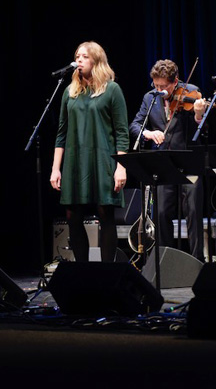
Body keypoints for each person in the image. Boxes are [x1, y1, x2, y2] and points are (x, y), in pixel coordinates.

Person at [50, 41, 129, 263]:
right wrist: (56, 168)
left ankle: (106, 273)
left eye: (84, 56)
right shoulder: (69, 92)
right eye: (77, 56)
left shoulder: (112, 90)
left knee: (105, 215)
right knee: (72, 216)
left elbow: (122, 132)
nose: (79, 60)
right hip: (75, 163)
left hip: (103, 161)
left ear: (96, 60)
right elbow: (61, 133)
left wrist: (120, 168)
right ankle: (83, 272)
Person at [129, 59, 207, 261]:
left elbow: (203, 127)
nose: (160, 89)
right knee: (161, 212)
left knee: (193, 212)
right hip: (164, 163)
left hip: (189, 161)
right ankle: (165, 261)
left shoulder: (191, 91)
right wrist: (149, 133)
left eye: (164, 86)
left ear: (175, 81)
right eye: (156, 85)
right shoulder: (150, 97)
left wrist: (199, 113)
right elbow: (135, 125)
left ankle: (197, 261)